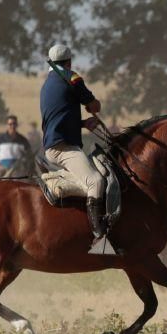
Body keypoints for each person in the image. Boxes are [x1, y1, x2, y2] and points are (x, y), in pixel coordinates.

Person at [41, 43, 108, 240]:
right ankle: (99, 235)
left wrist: (83, 123)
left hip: (54, 145)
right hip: (64, 148)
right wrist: (93, 108)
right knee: (95, 181)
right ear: (69, 62)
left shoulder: (47, 84)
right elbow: (93, 105)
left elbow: (58, 119)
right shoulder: (71, 78)